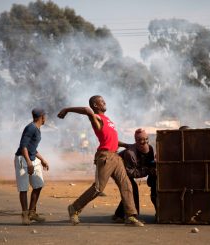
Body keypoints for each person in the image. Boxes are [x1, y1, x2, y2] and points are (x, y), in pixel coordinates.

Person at [57, 95, 144, 227]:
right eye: (101, 101)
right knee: (98, 188)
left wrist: (127, 145)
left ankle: (130, 216)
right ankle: (74, 208)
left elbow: (113, 140)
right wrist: (66, 109)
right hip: (105, 157)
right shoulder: (96, 118)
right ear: (95, 105)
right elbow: (87, 110)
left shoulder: (108, 120)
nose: (104, 103)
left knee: (126, 184)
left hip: (115, 156)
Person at [113, 128, 157, 222]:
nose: (144, 142)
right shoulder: (130, 153)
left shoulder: (150, 149)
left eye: (146, 139)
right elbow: (131, 172)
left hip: (130, 170)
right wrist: (148, 171)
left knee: (130, 190)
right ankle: (133, 216)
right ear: (136, 141)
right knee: (132, 189)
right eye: (140, 140)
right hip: (118, 169)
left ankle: (119, 215)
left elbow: (150, 164)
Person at [14, 108, 49, 225]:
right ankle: (24, 215)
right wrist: (28, 162)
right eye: (45, 116)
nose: (46, 119)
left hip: (32, 159)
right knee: (23, 188)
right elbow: (23, 146)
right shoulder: (31, 128)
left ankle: (32, 213)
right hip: (23, 160)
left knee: (38, 185)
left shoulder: (37, 129)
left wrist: (42, 159)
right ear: (42, 117)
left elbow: (32, 148)